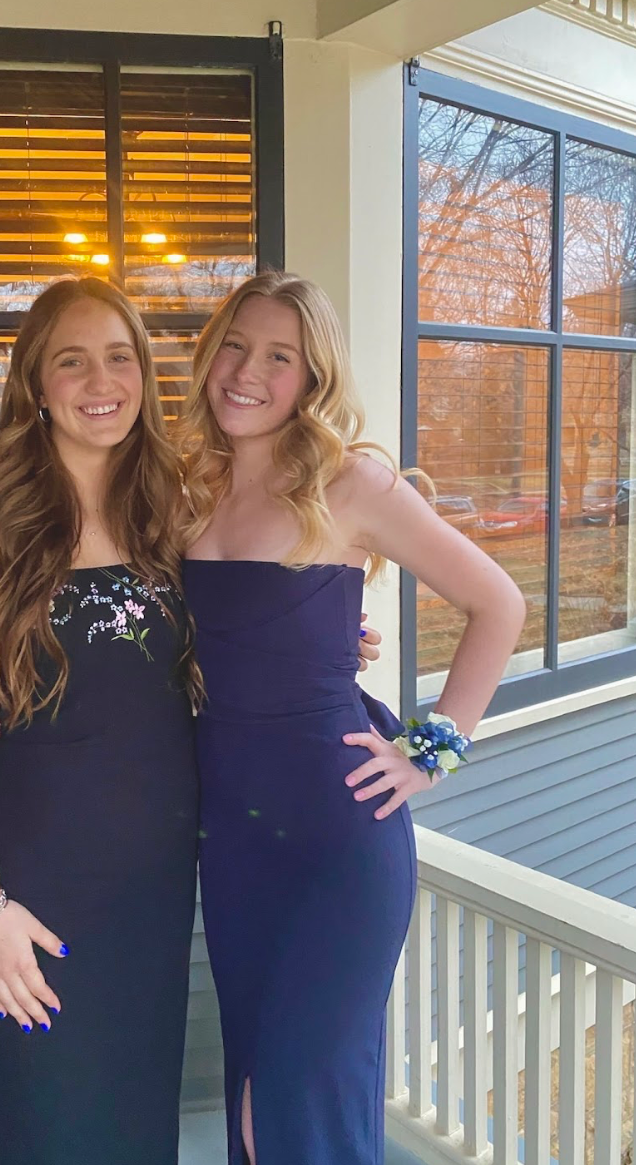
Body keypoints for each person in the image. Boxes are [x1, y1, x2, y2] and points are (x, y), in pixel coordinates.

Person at [179, 272, 526, 1165]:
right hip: (235, 846)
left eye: (279, 357)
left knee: (299, 1101)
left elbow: (497, 604)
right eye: (235, 344)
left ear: (312, 378)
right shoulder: (179, 487)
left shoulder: (351, 484)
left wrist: (430, 750)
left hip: (340, 836)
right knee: (255, 1088)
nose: (247, 371)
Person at [0, 278, 202, 1165]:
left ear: (146, 377)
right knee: (42, 1123)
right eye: (70, 360)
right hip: (31, 885)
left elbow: (234, 652)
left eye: (120, 357)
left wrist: (331, 637)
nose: (99, 379)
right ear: (35, 384)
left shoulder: (177, 513)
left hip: (153, 884)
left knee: (132, 1120)